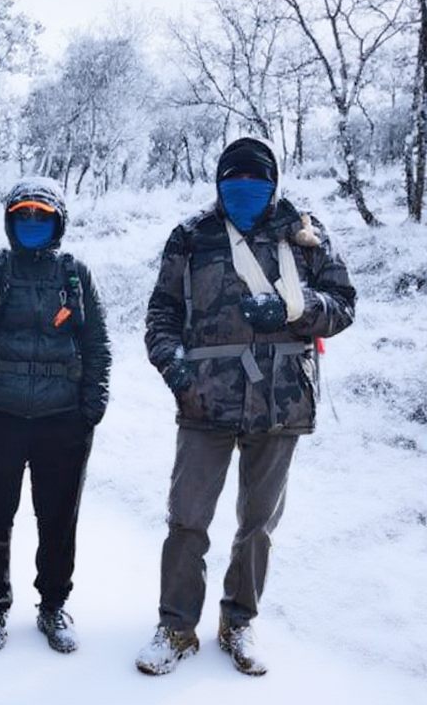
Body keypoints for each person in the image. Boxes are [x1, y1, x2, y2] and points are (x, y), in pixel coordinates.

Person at [136, 137, 355, 677]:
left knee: (257, 523)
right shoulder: (191, 236)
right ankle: (176, 627)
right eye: (233, 187)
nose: (244, 196)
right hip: (204, 400)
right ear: (218, 186)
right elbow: (161, 314)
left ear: (273, 185)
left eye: (255, 187)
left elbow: (344, 304)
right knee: (187, 519)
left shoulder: (305, 234)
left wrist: (293, 311)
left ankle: (239, 621)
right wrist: (175, 369)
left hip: (281, 401)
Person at [0, 177, 111, 653]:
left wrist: (91, 407)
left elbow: (97, 343)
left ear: (58, 221)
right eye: (24, 215)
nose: (32, 224)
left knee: (58, 519)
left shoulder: (75, 274)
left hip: (63, 419)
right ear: (9, 219)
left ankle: (53, 605)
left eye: (42, 216)